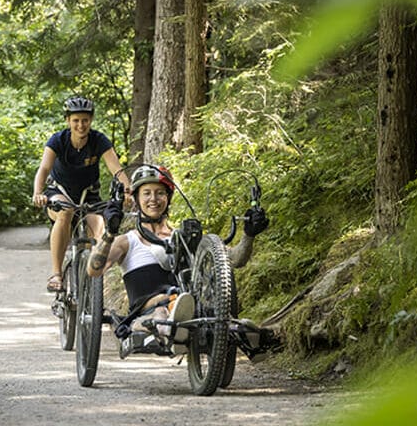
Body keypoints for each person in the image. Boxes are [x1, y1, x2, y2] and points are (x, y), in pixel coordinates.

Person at [86, 165, 270, 355]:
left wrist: (249, 234)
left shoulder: (184, 237)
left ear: (168, 198)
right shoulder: (127, 241)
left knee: (242, 327)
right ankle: (172, 325)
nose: (153, 199)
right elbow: (94, 270)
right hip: (151, 310)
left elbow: (234, 260)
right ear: (137, 200)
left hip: (190, 307)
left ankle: (246, 334)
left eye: (159, 193)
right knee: (161, 315)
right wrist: (109, 232)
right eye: (146, 193)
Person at [32, 96, 131, 292]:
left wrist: (128, 190)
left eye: (85, 120)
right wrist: (38, 192)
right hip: (59, 192)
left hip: (89, 196)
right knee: (66, 213)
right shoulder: (58, 140)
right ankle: (56, 274)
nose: (81, 125)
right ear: (68, 121)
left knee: (101, 229)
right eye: (76, 120)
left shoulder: (98, 140)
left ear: (91, 120)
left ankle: (94, 281)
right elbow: (44, 169)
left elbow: (117, 170)